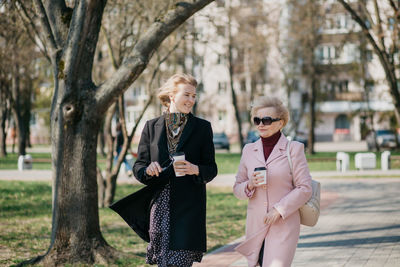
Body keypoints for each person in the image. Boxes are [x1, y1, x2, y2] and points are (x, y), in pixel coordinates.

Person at [127, 73, 217, 267]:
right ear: (171, 96)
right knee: (163, 263)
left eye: (194, 96)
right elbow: (139, 167)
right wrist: (148, 170)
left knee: (179, 262)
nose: (191, 100)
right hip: (159, 207)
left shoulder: (202, 128)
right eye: (187, 95)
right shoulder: (151, 127)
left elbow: (211, 168)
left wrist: (195, 169)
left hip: (188, 208)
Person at [233, 96, 312, 267]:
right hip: (256, 226)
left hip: (283, 224)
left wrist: (279, 209)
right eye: (257, 120)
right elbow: (237, 188)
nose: (261, 124)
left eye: (267, 120)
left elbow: (305, 188)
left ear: (280, 123)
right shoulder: (248, 150)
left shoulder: (294, 149)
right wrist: (250, 184)